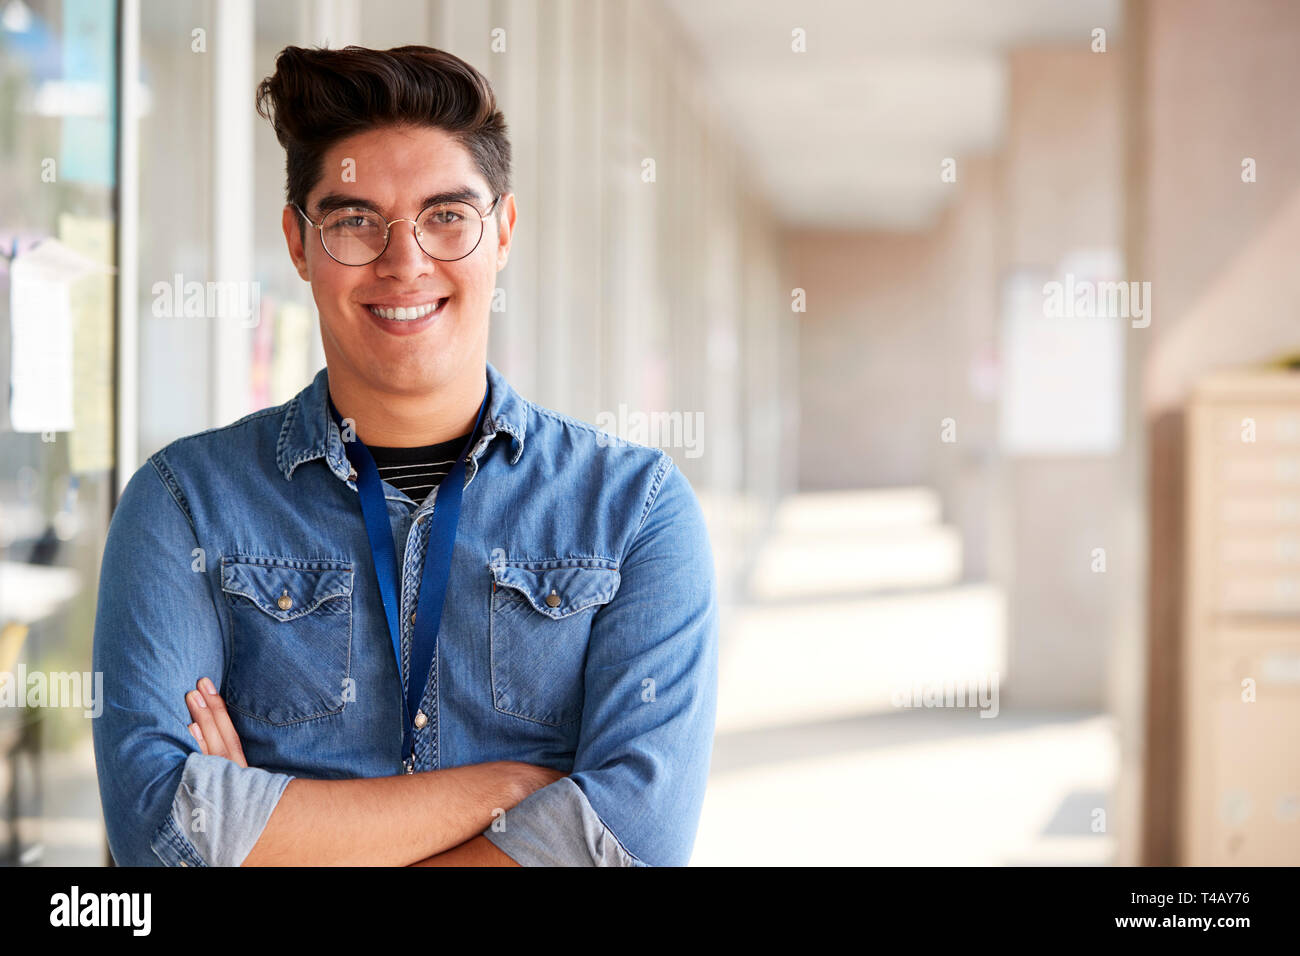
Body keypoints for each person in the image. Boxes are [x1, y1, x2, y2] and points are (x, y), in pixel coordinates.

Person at [91, 44, 718, 867]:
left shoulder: (633, 511)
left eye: (445, 216)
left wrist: (272, 835)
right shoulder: (185, 504)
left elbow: (633, 841)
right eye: (355, 221)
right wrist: (512, 789)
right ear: (298, 243)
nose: (404, 261)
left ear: (503, 233)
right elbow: (161, 831)